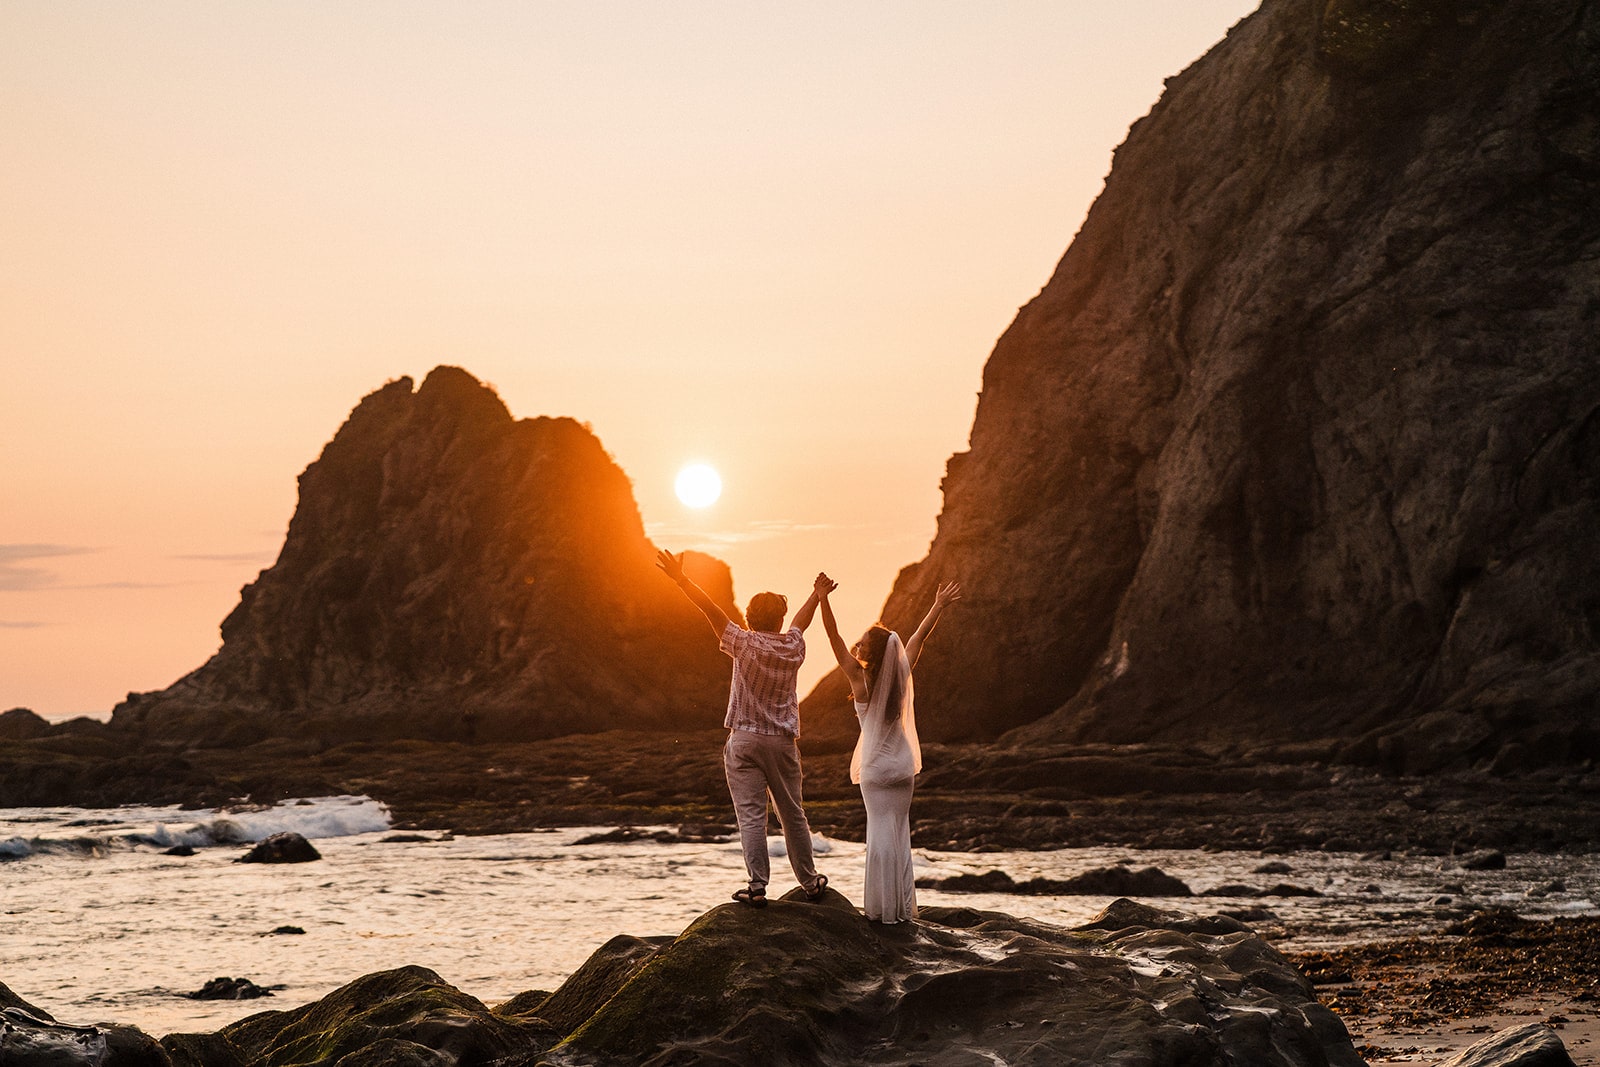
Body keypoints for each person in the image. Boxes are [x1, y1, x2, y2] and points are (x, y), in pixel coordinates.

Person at [657, 549, 832, 908]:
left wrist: (681, 579)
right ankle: (811, 882)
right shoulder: (792, 646)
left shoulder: (743, 642)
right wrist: (817, 596)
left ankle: (756, 887)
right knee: (792, 814)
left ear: (750, 618)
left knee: (752, 815)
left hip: (746, 740)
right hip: (782, 743)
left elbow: (711, 610)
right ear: (779, 619)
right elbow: (802, 621)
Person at [818, 578, 960, 924]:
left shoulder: (859, 680)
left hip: (876, 771)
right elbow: (916, 639)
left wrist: (823, 600)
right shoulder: (899, 676)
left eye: (863, 643)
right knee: (899, 833)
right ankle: (902, 909)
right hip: (902, 766)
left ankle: (881, 911)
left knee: (879, 835)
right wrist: (938, 605)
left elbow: (834, 639)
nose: (858, 645)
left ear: (870, 652)